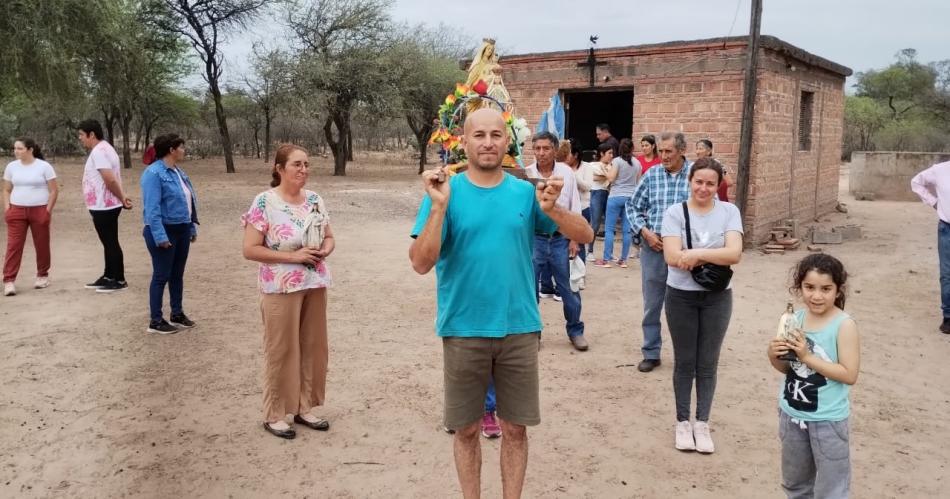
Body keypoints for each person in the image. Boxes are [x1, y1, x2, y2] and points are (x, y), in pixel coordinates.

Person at [409, 108, 593, 499]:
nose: (488, 142)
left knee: (515, 428)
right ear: (464, 142)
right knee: (466, 430)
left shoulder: (525, 193)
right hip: (463, 328)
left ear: (507, 141)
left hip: (519, 328)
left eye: (496, 135)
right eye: (479, 135)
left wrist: (554, 210)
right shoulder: (445, 193)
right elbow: (421, 263)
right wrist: (438, 208)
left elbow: (586, 234)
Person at [242, 144, 335, 439]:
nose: (303, 170)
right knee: (281, 349)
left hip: (313, 283)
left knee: (313, 347)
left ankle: (304, 407)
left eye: (306, 164)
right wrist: (293, 257)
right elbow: (250, 249)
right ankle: (274, 413)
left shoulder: (315, 200)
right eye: (297, 164)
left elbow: (329, 237)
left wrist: (325, 250)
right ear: (279, 168)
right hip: (280, 286)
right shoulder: (264, 202)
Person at [660, 157, 743, 453]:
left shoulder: (729, 212)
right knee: (685, 362)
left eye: (710, 183)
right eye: (699, 182)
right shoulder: (675, 213)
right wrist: (712, 253)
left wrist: (694, 254)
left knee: (708, 363)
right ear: (690, 181)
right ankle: (683, 421)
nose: (704, 188)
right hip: (681, 295)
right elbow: (672, 256)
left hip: (717, 297)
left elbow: (734, 253)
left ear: (718, 185)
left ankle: (702, 422)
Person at [767, 254, 860, 499]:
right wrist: (773, 354)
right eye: (809, 287)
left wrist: (808, 357)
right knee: (795, 486)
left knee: (832, 490)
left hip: (828, 420)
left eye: (826, 289)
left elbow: (849, 374)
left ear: (838, 290)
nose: (816, 296)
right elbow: (787, 368)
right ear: (799, 287)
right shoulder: (794, 319)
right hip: (792, 415)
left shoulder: (843, 325)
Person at [626, 131, 693, 372]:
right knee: (652, 304)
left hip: (686, 253)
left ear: (682, 151)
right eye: (661, 151)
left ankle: (687, 357)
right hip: (654, 248)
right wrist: (646, 233)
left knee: (685, 306)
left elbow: (710, 206)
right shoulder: (651, 175)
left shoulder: (695, 175)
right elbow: (632, 207)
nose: (663, 156)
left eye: (668, 151)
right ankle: (651, 352)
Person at [526, 131, 589, 351]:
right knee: (530, 288)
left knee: (568, 288)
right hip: (535, 239)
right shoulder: (527, 174)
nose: (541, 153)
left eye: (546, 148)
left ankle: (575, 330)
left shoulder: (566, 173)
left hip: (561, 239)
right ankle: (533, 333)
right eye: (537, 148)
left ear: (554, 150)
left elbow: (574, 205)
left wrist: (574, 238)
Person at [140, 134, 199, 334]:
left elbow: (188, 202)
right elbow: (152, 209)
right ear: (171, 150)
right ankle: (156, 320)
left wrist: (191, 227)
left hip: (181, 228)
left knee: (177, 275)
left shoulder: (178, 172)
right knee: (161, 275)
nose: (184, 150)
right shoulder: (153, 173)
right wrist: (160, 236)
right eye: (181, 147)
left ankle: (177, 313)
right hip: (164, 230)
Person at [78, 119, 132, 293]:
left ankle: (119, 279)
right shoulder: (105, 148)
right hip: (104, 204)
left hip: (104, 205)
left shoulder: (100, 151)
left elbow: (109, 179)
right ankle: (109, 276)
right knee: (108, 242)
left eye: (81, 134)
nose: (80, 138)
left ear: (92, 134)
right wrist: (121, 197)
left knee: (110, 242)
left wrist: (122, 197)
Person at [3, 138, 57, 296]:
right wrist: (7, 208)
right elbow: (6, 189)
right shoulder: (11, 167)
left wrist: (47, 211)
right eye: (15, 148)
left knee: (41, 244)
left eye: (20, 148)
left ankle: (42, 275)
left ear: (30, 149)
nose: (16, 151)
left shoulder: (44, 167)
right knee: (14, 245)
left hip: (39, 209)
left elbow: (54, 190)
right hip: (16, 210)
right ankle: (9, 280)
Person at [911, 158, 950, 333]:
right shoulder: (940, 170)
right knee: (947, 274)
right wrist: (933, 201)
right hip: (947, 229)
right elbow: (916, 182)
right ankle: (948, 317)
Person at [594, 139, 640, 268]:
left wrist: (605, 170)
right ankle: (623, 260)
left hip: (615, 196)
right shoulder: (637, 163)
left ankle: (607, 260)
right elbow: (638, 181)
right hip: (630, 198)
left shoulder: (617, 161)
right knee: (627, 231)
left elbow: (611, 178)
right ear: (632, 149)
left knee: (609, 229)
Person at [565, 139, 595, 263]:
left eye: (568, 153)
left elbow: (588, 186)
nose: (566, 156)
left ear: (576, 154)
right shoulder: (562, 167)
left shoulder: (587, 167)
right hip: (566, 211)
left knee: (579, 243)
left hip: (583, 209)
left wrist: (573, 175)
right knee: (564, 241)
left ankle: (580, 269)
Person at [587, 145, 612, 260]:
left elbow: (611, 178)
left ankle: (609, 253)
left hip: (608, 193)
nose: (611, 156)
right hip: (596, 193)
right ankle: (590, 251)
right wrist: (606, 176)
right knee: (595, 223)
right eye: (609, 153)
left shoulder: (612, 166)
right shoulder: (593, 165)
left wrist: (604, 176)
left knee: (609, 225)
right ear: (602, 153)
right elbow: (593, 177)